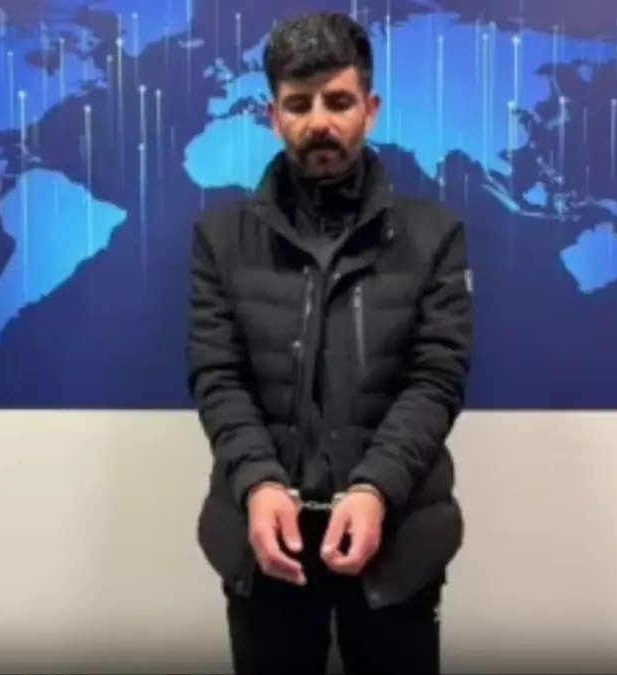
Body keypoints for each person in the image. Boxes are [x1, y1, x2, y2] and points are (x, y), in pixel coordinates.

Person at [186, 11, 473, 675]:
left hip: (399, 539)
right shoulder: (219, 239)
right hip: (264, 541)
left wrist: (375, 489)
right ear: (273, 116)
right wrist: (257, 482)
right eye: (299, 104)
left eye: (338, 102)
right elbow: (218, 376)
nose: (319, 121)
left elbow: (436, 379)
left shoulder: (436, 235)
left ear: (370, 110)